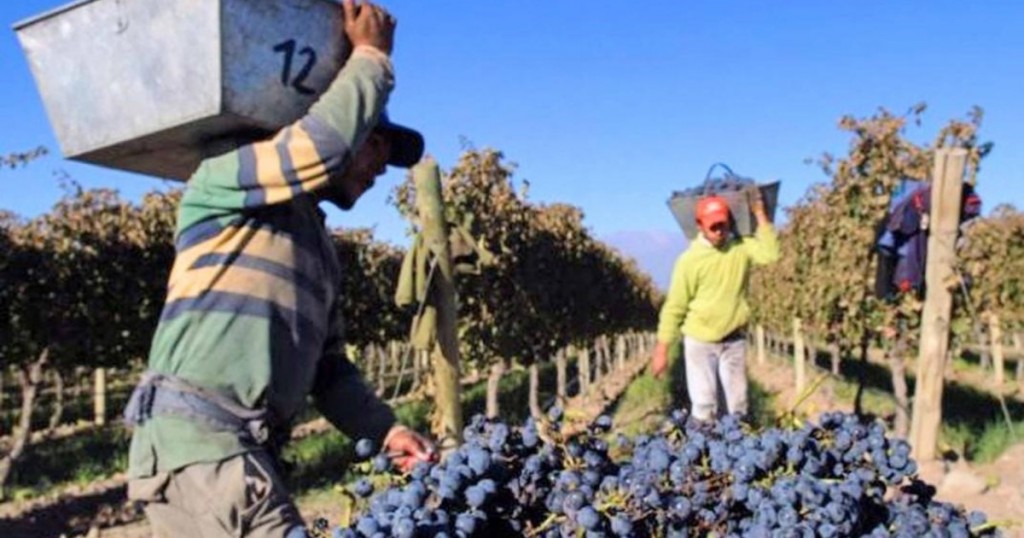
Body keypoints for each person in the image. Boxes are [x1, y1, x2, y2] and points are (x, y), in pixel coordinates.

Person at [122, 2, 435, 536]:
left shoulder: (317, 251)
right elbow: (318, 146)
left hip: (237, 452)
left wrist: (385, 430)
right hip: (203, 444)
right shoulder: (222, 184)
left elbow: (329, 371)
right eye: (377, 144)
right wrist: (371, 59)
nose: (382, 168)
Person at [651, 187, 780, 421]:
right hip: (700, 341)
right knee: (704, 405)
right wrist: (662, 349)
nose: (720, 231)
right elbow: (675, 307)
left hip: (734, 339)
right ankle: (705, 451)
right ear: (700, 225)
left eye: (723, 224)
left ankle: (737, 450)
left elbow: (770, 254)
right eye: (713, 226)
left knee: (738, 406)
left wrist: (760, 214)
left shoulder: (740, 247)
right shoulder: (689, 261)